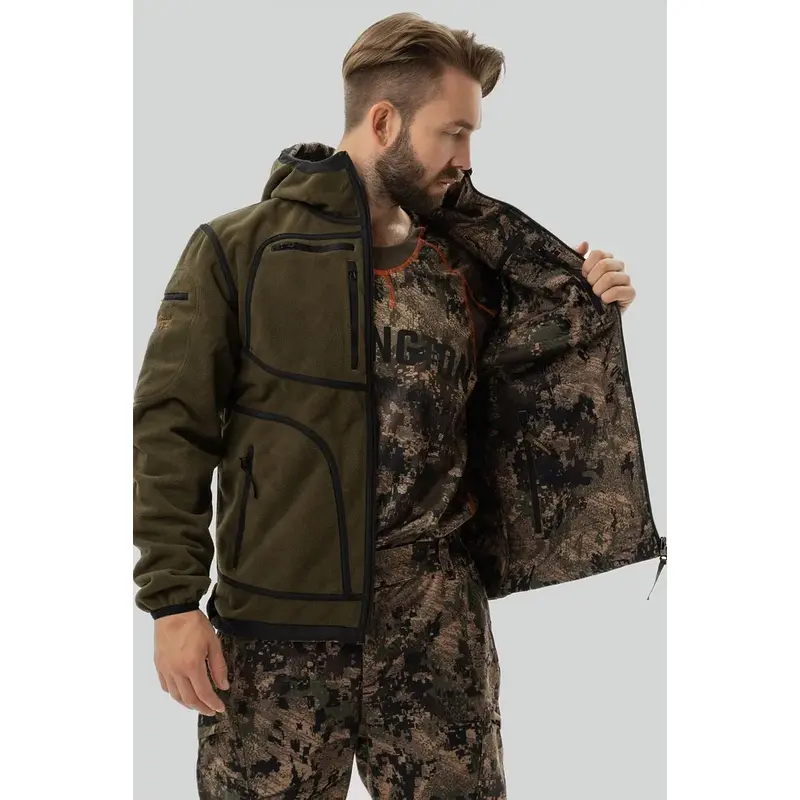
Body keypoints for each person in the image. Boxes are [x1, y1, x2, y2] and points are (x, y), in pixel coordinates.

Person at [133, 12, 651, 799]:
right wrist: (172, 605)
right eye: (454, 132)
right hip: (277, 633)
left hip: (436, 630)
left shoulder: (466, 264)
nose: (466, 158)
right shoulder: (238, 252)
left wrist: (587, 302)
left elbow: (524, 389)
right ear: (383, 122)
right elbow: (171, 427)